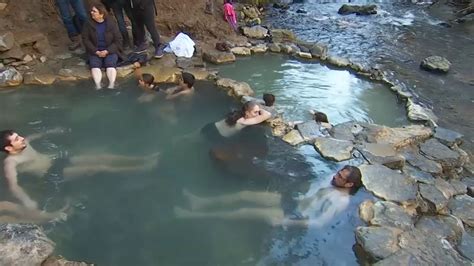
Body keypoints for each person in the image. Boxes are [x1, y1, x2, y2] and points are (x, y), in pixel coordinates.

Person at [1, 129, 159, 209]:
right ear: (8, 147)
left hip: (57, 161)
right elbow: (13, 186)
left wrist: (53, 131)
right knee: (99, 166)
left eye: (19, 135)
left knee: (102, 157)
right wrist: (26, 200)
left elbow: (37, 135)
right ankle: (141, 168)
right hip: (53, 173)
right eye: (16, 139)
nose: (21, 138)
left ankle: (142, 159)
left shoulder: (25, 142)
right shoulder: (11, 162)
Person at [174, 165, 363, 227]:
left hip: (296, 216)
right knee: (245, 194)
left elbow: (319, 223)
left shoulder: (340, 201)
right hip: (296, 202)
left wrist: (285, 222)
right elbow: (312, 188)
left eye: (340, 177)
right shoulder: (332, 182)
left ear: (349, 184)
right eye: (338, 172)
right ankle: (200, 202)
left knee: (245, 210)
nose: (335, 175)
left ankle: (193, 215)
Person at [82, 3, 123, 89]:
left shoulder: (111, 23)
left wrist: (107, 51)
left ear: (101, 14)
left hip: (109, 50)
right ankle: (98, 85)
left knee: (110, 64)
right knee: (94, 65)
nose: (91, 13)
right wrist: (95, 51)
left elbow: (118, 40)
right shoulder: (88, 24)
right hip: (95, 51)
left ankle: (111, 85)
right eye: (91, 11)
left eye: (94, 11)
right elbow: (86, 40)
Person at [201, 101, 272, 141]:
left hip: (210, 126)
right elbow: (268, 114)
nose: (257, 114)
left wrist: (257, 109)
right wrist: (261, 110)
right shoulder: (244, 122)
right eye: (255, 112)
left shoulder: (236, 113)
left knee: (191, 139)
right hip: (215, 136)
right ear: (247, 113)